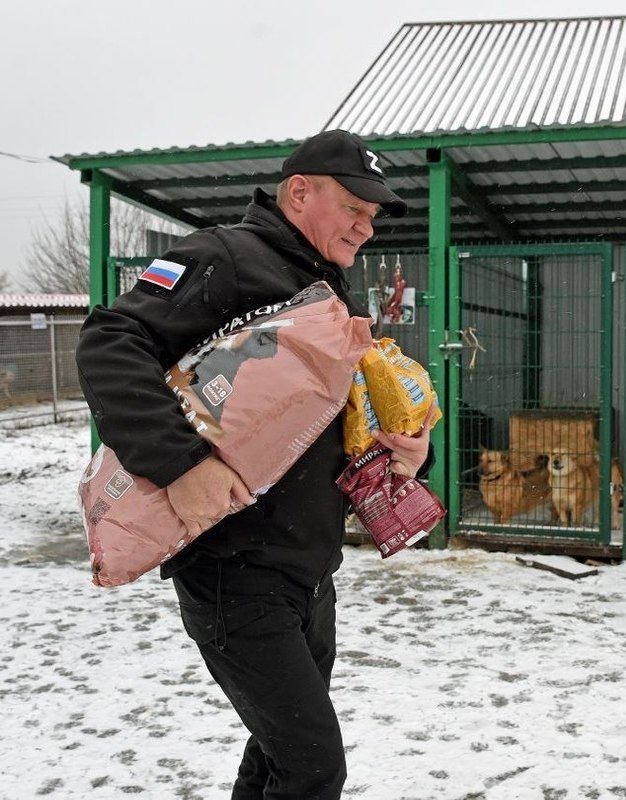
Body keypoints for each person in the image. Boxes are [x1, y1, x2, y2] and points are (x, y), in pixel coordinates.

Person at [76, 129, 433, 799]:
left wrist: (412, 452)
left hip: (309, 574)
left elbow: (339, 423)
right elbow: (110, 340)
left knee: (277, 760)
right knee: (312, 767)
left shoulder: (332, 294)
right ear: (299, 192)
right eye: (353, 207)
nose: (366, 227)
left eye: (373, 216)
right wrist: (182, 467)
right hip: (232, 575)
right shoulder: (225, 257)